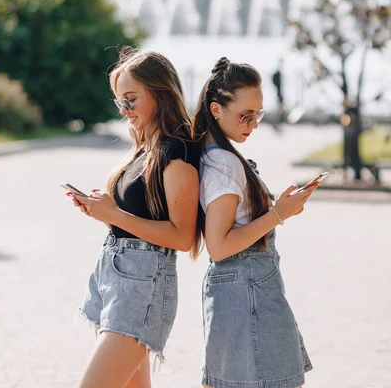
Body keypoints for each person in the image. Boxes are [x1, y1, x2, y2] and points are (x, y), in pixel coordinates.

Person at [67, 47, 200, 388]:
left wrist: (115, 214)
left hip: (143, 286)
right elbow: (135, 219)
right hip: (114, 277)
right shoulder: (145, 148)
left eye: (131, 99)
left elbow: (182, 237)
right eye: (119, 102)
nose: (124, 110)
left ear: (159, 93)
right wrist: (105, 212)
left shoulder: (176, 152)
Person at [192, 57, 317, 388]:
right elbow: (219, 246)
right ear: (216, 109)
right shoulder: (223, 163)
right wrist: (279, 214)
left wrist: (277, 207)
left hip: (241, 289)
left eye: (257, 115)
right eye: (245, 116)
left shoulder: (216, 155)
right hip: (247, 290)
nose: (254, 124)